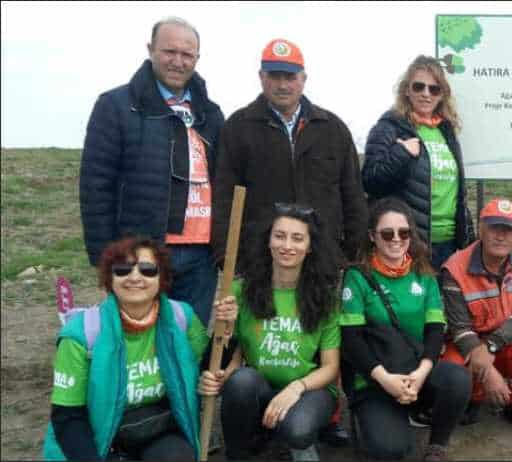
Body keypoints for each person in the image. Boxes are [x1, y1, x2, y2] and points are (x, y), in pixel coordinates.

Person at [80, 17, 224, 326]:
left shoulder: (211, 113)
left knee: (190, 341)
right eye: (169, 51)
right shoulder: (116, 106)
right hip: (142, 252)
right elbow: (96, 185)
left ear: (197, 59)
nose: (178, 61)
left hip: (201, 254)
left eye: (187, 55)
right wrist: (103, 256)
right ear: (150, 50)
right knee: (140, 341)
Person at [42, 236, 236, 460]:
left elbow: (205, 366)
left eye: (147, 269)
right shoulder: (82, 334)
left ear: (161, 277)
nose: (135, 277)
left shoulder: (181, 317)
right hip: (97, 438)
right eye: (123, 269)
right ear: (109, 279)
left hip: (155, 429)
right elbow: (67, 417)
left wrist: (228, 328)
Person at [212, 38, 367, 277]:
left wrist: (350, 256)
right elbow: (223, 197)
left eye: (290, 77)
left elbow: (353, 197)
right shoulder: (238, 128)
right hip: (259, 263)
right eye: (275, 76)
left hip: (322, 261)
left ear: (304, 79)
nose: (283, 85)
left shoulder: (333, 129)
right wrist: (227, 256)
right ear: (261, 77)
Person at [198, 203, 341, 461]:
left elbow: (331, 368)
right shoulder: (243, 290)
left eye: (297, 238)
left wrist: (296, 388)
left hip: (308, 390)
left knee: (297, 430)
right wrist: (227, 327)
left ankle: (291, 438)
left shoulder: (324, 298)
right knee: (241, 382)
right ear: (268, 241)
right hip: (260, 387)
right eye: (279, 236)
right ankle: (240, 453)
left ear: (309, 247)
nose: (287, 245)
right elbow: (230, 352)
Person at [339, 198, 472, 461]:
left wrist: (421, 374)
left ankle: (437, 444)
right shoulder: (356, 277)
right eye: (386, 233)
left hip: (412, 370)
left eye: (404, 232)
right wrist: (386, 380)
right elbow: (351, 341)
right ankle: (383, 416)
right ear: (372, 237)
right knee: (392, 450)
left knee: (458, 379)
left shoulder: (424, 273)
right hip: (374, 377)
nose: (396, 239)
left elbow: (435, 331)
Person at [439, 198, 512, 436]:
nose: (500, 236)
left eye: (507, 229)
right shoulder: (454, 268)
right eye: (494, 228)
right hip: (469, 342)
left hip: (504, 340)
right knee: (451, 366)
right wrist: (486, 366)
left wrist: (490, 347)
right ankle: (473, 397)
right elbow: (459, 328)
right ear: (481, 229)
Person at [362, 55, 475, 269]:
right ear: (407, 90)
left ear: (442, 95)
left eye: (434, 89)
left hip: (449, 243)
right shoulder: (389, 127)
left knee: (440, 303)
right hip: (408, 241)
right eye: (419, 86)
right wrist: (401, 153)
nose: (426, 93)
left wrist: (467, 237)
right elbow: (370, 180)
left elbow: (457, 192)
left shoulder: (447, 131)